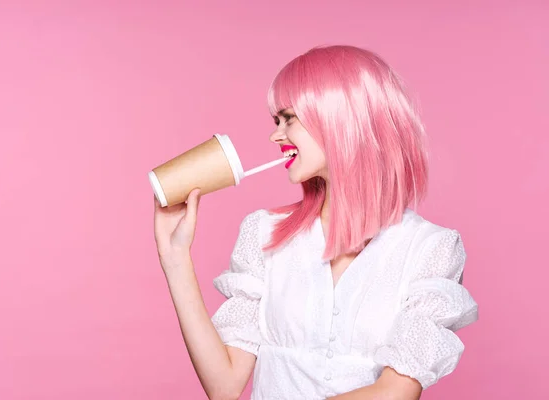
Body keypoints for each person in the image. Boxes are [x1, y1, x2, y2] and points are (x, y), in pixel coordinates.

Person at [153, 45, 478, 400]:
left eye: (289, 118)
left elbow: (396, 392)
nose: (276, 136)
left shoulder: (430, 248)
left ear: (341, 119)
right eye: (276, 121)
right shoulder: (262, 233)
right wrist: (175, 257)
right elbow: (225, 385)